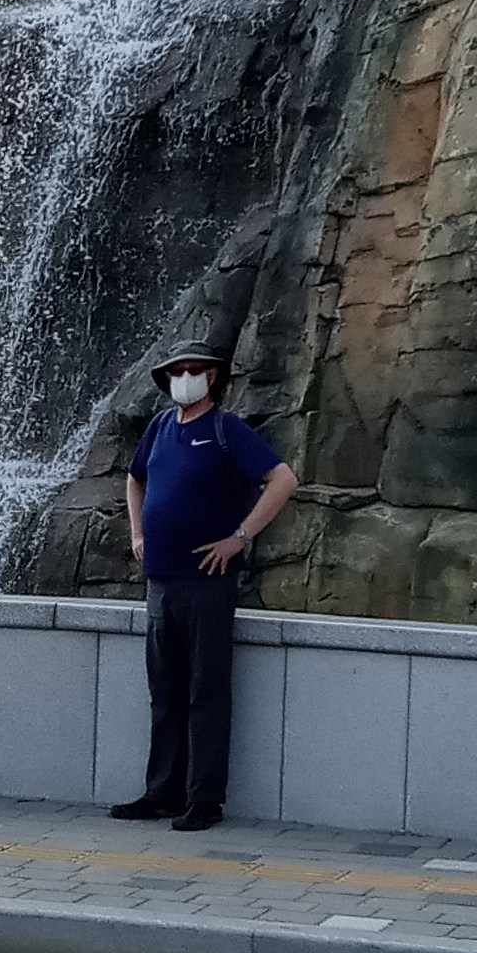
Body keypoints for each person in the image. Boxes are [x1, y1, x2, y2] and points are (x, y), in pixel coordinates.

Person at [111, 341, 296, 830]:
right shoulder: (159, 427)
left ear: (212, 377)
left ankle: (205, 799)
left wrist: (240, 538)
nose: (184, 379)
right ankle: (162, 792)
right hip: (161, 578)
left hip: (208, 580)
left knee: (205, 691)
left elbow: (283, 479)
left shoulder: (225, 429)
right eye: (176, 372)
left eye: (193, 371)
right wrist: (137, 533)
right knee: (165, 690)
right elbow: (134, 479)